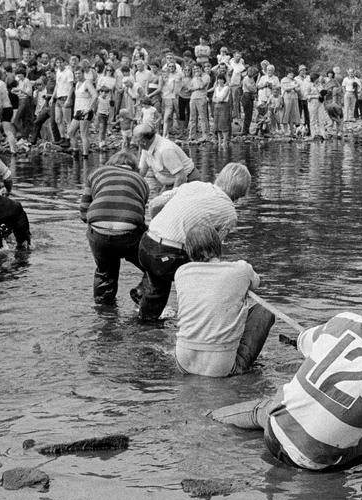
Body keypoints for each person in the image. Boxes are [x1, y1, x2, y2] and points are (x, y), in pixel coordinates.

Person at [216, 303, 362, 471]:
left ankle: (211, 417)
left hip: (273, 434)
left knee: (268, 406)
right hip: (315, 463)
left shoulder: (345, 320)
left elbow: (305, 343)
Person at [132, 162, 250, 322]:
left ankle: (143, 294)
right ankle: (162, 328)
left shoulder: (194, 185)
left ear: (220, 177)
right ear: (239, 194)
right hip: (169, 257)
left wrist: (161, 227)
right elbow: (210, 252)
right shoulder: (229, 213)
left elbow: (155, 203)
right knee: (198, 278)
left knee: (157, 282)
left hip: (146, 243)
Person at [173, 222, 275, 376]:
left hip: (183, 361)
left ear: (189, 251)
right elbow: (256, 283)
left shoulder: (181, 273)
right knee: (264, 311)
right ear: (218, 245)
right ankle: (239, 368)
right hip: (220, 368)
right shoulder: (240, 269)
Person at [79, 151, 149, 306]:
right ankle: (141, 293)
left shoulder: (96, 174)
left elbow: (84, 212)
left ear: (111, 163)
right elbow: (139, 216)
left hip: (99, 233)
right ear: (134, 167)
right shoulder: (141, 180)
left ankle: (104, 313)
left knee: (105, 273)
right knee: (152, 267)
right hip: (129, 233)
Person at [135, 123, 198, 197]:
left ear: (143, 141)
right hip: (170, 182)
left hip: (188, 181)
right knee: (156, 205)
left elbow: (181, 177)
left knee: (160, 206)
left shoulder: (165, 150)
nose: (133, 141)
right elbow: (141, 172)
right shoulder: (147, 146)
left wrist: (171, 199)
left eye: (135, 138)